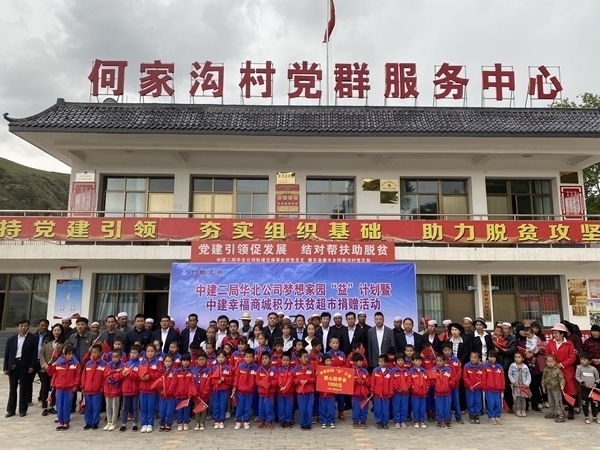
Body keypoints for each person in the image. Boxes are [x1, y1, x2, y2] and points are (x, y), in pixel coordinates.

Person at [3, 319, 38, 418]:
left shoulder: (33, 338)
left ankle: (22, 410)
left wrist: (32, 366)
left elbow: (34, 354)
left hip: (25, 365)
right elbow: (7, 354)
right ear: (17, 327)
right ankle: (11, 410)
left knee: (23, 389)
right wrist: (6, 367)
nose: (23, 328)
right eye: (21, 326)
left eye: (25, 326)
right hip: (14, 364)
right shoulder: (11, 339)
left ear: (28, 327)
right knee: (12, 388)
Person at [546, 322, 577, 420]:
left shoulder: (569, 343)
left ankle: (571, 409)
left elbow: (572, 357)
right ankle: (557, 411)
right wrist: (552, 362)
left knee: (569, 389)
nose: (554, 335)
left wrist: (562, 364)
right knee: (555, 390)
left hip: (566, 369)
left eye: (556, 333)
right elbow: (547, 353)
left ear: (562, 333)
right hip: (553, 369)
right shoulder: (551, 342)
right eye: (553, 333)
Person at [47, 344, 80, 430]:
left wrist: (76, 385)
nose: (71, 356)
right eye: (69, 354)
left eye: (72, 354)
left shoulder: (76, 364)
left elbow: (78, 375)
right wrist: (50, 364)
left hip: (69, 388)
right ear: (65, 354)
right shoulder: (58, 363)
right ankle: (61, 421)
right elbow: (50, 372)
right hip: (59, 388)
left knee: (66, 405)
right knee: (59, 405)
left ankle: (66, 422)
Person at [40, 323, 66, 416]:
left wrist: (55, 364)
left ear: (61, 331)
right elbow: (42, 354)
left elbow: (63, 355)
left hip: (56, 369)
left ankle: (51, 406)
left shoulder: (64, 342)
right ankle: (44, 407)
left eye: (58, 330)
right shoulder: (47, 341)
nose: (56, 332)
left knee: (53, 388)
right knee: (44, 388)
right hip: (45, 369)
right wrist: (45, 364)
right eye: (55, 330)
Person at [81, 343, 106, 429]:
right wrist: (83, 386)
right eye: (92, 352)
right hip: (88, 390)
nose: (94, 354)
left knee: (96, 407)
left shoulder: (103, 364)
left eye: (96, 352)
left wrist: (102, 387)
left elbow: (104, 377)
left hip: (97, 390)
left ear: (100, 353)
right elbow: (84, 376)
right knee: (88, 407)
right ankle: (88, 422)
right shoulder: (88, 364)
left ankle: (95, 422)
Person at [139, 344, 163, 433]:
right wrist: (141, 377)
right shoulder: (142, 362)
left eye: (152, 351)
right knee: (143, 408)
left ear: (155, 352)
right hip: (142, 389)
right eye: (148, 351)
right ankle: (144, 424)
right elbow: (138, 373)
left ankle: (150, 424)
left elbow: (159, 373)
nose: (150, 353)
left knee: (151, 408)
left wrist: (149, 376)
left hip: (152, 389)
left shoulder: (158, 363)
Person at [494, 321, 517, 413]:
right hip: (499, 365)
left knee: (508, 386)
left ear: (510, 330)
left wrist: (499, 349)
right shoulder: (498, 338)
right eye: (503, 329)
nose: (505, 331)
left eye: (506, 329)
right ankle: (499, 405)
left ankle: (510, 405)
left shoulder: (513, 340)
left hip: (508, 365)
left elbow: (510, 351)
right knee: (500, 385)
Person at [119, 344, 142, 431]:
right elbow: (121, 375)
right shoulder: (126, 364)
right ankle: (123, 424)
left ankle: (135, 424)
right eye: (131, 353)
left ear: (139, 354)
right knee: (125, 407)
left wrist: (130, 373)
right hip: (126, 389)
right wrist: (122, 373)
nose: (132, 354)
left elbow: (138, 377)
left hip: (135, 389)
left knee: (135, 407)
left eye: (135, 353)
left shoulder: (140, 364)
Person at [233, 348, 258, 430]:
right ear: (244, 357)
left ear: (253, 358)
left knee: (247, 407)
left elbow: (257, 379)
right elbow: (236, 377)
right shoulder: (240, 366)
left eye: (250, 357)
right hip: (240, 391)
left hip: (250, 391)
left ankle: (246, 421)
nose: (248, 359)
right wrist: (235, 386)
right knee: (239, 406)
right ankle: (238, 421)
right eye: (247, 357)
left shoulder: (255, 367)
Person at [294, 349, 316, 430]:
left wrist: (308, 380)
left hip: (309, 392)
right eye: (304, 357)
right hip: (300, 392)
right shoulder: (296, 369)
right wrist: (299, 381)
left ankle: (308, 423)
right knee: (302, 408)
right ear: (299, 358)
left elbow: (314, 378)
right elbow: (294, 380)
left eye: (307, 357)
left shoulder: (310, 368)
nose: (306, 359)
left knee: (309, 408)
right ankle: (303, 423)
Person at [211, 349, 233, 429]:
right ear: (216, 358)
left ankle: (222, 420)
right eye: (219, 357)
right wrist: (217, 382)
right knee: (216, 405)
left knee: (222, 405)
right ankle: (216, 420)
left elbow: (231, 380)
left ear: (225, 358)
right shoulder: (214, 368)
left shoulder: (228, 368)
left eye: (222, 357)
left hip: (224, 390)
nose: (221, 359)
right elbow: (211, 379)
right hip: (215, 390)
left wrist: (225, 379)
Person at [576, 351, 600, 424]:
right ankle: (586, 417)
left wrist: (596, 383)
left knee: (594, 403)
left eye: (584, 360)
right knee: (585, 403)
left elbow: (598, 378)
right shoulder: (579, 368)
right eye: (581, 359)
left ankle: (595, 417)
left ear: (589, 361)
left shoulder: (593, 369)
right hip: (584, 388)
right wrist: (583, 383)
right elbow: (577, 377)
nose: (582, 361)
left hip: (593, 389)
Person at [104, 349, 125, 431]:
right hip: (107, 389)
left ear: (120, 357)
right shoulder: (108, 364)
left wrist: (111, 376)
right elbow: (105, 374)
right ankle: (108, 422)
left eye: (116, 357)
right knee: (108, 407)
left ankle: (113, 422)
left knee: (115, 408)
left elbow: (120, 376)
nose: (114, 359)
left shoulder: (122, 365)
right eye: (113, 357)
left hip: (116, 389)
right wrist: (114, 371)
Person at [482, 350, 504, 425]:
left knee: (498, 403)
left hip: (497, 389)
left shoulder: (499, 367)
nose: (491, 359)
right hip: (489, 389)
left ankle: (497, 416)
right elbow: (483, 377)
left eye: (493, 357)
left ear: (496, 358)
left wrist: (502, 387)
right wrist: (484, 387)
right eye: (490, 357)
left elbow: (502, 378)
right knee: (491, 403)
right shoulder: (485, 366)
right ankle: (491, 416)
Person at [175, 354, 197, 431]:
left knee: (186, 410)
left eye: (187, 361)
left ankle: (186, 423)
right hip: (179, 395)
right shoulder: (177, 372)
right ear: (181, 361)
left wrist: (190, 393)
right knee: (179, 409)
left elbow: (192, 383)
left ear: (190, 362)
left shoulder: (191, 372)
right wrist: (176, 392)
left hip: (187, 395)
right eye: (184, 361)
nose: (185, 362)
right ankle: (180, 423)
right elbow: (175, 383)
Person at [542, 354, 566, 422]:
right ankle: (552, 412)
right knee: (551, 401)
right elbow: (543, 379)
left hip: (556, 388)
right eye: (548, 361)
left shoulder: (557, 370)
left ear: (555, 362)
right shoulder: (546, 370)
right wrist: (543, 387)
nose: (550, 363)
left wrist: (562, 385)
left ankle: (561, 415)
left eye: (551, 361)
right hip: (549, 388)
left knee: (558, 402)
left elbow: (561, 378)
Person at [371, 354, 393, 429]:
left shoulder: (390, 372)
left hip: (386, 395)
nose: (379, 363)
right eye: (379, 361)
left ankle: (385, 422)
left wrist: (390, 392)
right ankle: (379, 422)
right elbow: (373, 382)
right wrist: (372, 390)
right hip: (377, 394)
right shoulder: (375, 371)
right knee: (377, 409)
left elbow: (391, 383)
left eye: (381, 361)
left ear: (386, 363)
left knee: (385, 410)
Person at [431, 354, 453, 429]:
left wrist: (448, 384)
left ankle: (447, 421)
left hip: (447, 393)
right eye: (437, 361)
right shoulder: (433, 370)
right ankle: (439, 421)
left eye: (440, 361)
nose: (439, 362)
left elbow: (452, 380)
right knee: (439, 407)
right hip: (438, 393)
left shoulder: (449, 370)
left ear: (444, 361)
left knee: (447, 407)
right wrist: (436, 384)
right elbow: (432, 381)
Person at [158, 354, 178, 432]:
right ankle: (162, 424)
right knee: (162, 411)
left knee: (169, 411)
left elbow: (173, 384)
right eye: (166, 361)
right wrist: (161, 391)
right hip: (162, 395)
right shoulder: (161, 371)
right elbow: (158, 382)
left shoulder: (174, 371)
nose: (168, 363)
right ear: (163, 362)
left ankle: (169, 424)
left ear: (172, 362)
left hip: (170, 396)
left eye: (169, 361)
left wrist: (168, 391)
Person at [508, 351, 532, 417]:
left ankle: (523, 410)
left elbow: (528, 376)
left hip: (524, 386)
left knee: (523, 398)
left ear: (523, 358)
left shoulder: (525, 366)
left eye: (519, 357)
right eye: (516, 357)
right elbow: (510, 374)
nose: (517, 359)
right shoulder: (512, 366)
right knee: (518, 398)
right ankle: (518, 410)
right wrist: (513, 382)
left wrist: (527, 383)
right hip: (517, 385)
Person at [463, 351, 483, 424]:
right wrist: (469, 385)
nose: (473, 359)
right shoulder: (466, 366)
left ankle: (477, 415)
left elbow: (482, 377)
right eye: (471, 357)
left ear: (478, 359)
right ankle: (471, 415)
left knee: (477, 401)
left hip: (477, 388)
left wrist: (479, 385)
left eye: (475, 358)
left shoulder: (481, 367)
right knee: (470, 401)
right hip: (469, 388)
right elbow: (465, 378)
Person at [193, 350, 212, 431]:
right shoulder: (194, 370)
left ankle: (202, 422)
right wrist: (194, 391)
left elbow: (208, 383)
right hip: (196, 393)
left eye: (203, 359)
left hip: (204, 393)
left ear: (206, 360)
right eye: (199, 359)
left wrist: (205, 392)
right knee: (197, 408)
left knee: (203, 408)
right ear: (197, 360)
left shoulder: (209, 370)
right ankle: (197, 422)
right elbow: (192, 382)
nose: (201, 361)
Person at [351, 352, 370, 429]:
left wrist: (364, 381)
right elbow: (349, 383)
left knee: (364, 409)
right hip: (355, 394)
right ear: (355, 362)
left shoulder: (365, 371)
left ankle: (363, 421)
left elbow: (369, 381)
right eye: (359, 361)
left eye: (362, 361)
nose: (361, 362)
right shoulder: (351, 371)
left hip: (364, 394)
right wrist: (356, 381)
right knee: (356, 409)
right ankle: (355, 421)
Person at [391, 352, 410, 429]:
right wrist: (398, 388)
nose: (400, 362)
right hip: (397, 393)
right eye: (398, 360)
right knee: (396, 407)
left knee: (404, 407)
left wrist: (406, 388)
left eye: (402, 360)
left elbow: (409, 381)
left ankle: (403, 421)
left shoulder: (407, 371)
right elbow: (392, 381)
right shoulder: (393, 371)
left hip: (405, 393)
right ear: (395, 361)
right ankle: (397, 421)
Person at [410, 355, 428, 429]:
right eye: (416, 360)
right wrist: (413, 388)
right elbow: (410, 381)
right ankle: (416, 421)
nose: (418, 362)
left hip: (423, 393)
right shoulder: (411, 371)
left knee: (422, 408)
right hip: (415, 394)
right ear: (413, 361)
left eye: (419, 360)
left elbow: (427, 381)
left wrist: (426, 388)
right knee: (415, 408)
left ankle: (422, 421)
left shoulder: (424, 371)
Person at [277, 351, 295, 429]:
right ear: (281, 360)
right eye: (284, 360)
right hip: (281, 392)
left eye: (287, 360)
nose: (285, 362)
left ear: (290, 361)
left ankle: (288, 420)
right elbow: (279, 379)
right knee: (281, 407)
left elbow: (290, 380)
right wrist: (281, 386)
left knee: (288, 407)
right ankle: (282, 420)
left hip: (289, 392)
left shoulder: (292, 370)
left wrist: (286, 387)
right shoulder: (279, 370)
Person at [319, 354, 336, 429]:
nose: (329, 362)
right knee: (322, 408)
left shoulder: (334, 371)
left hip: (331, 394)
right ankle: (324, 421)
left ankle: (331, 421)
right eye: (327, 361)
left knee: (331, 408)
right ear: (323, 363)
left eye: (330, 361)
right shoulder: (320, 371)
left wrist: (337, 389)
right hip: (322, 394)